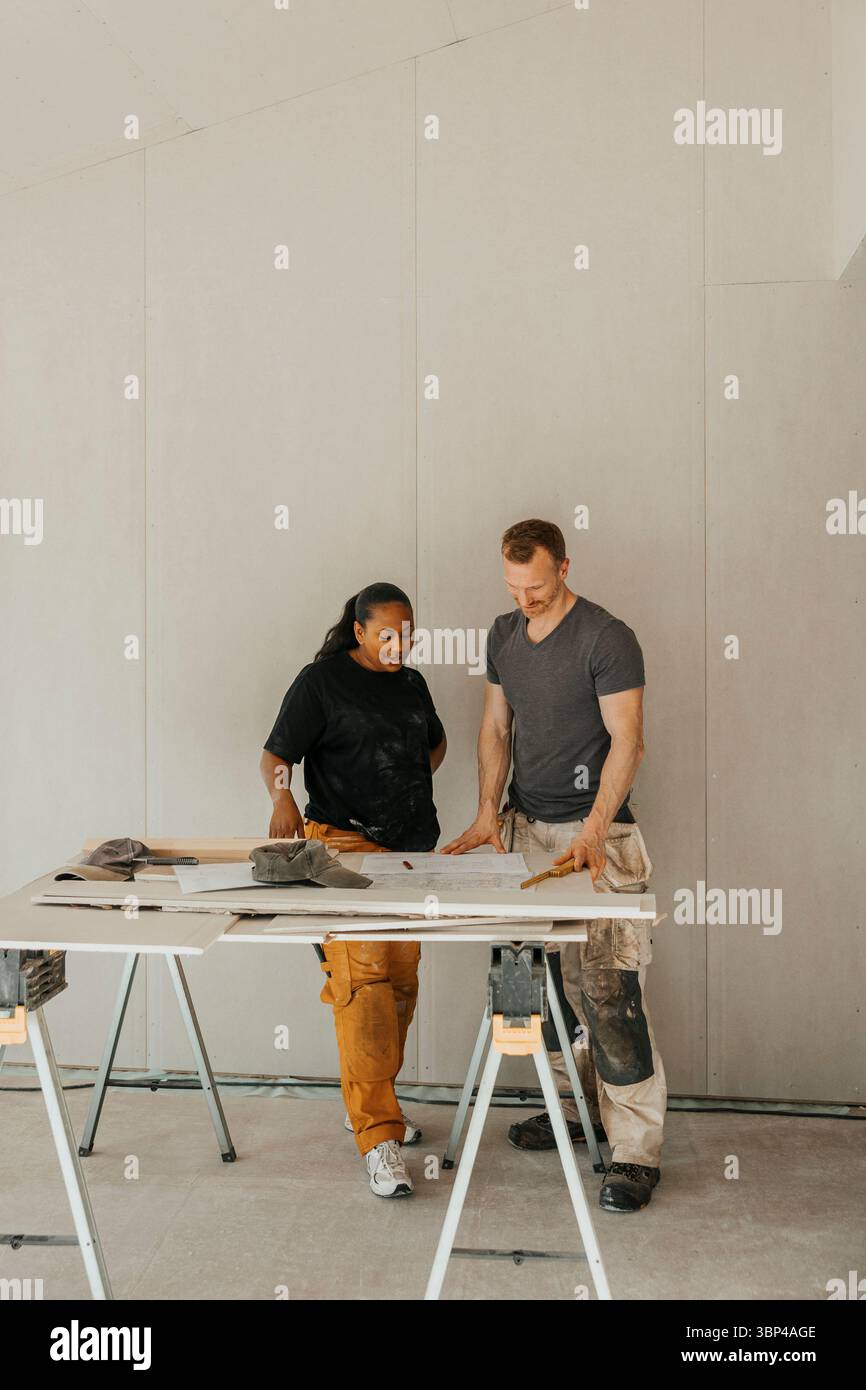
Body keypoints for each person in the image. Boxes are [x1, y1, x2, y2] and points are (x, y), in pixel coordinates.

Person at [442, 519, 666, 1213]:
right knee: (535, 994)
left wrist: (596, 829)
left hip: (594, 840)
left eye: (536, 585)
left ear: (563, 568)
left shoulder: (606, 637)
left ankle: (632, 1153)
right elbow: (496, 727)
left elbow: (629, 741)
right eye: (514, 587)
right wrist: (486, 813)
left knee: (607, 994)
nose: (525, 598)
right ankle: (579, 1114)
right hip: (525, 835)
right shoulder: (505, 635)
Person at [260, 582, 446, 1198]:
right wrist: (284, 796)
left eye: (408, 631)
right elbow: (276, 754)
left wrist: (401, 777)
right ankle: (378, 1138)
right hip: (345, 848)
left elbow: (432, 742)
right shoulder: (322, 682)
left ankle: (371, 1099)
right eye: (387, 632)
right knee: (362, 984)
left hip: (412, 851)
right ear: (360, 631)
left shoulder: (413, 684)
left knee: (401, 981)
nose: (399, 643)